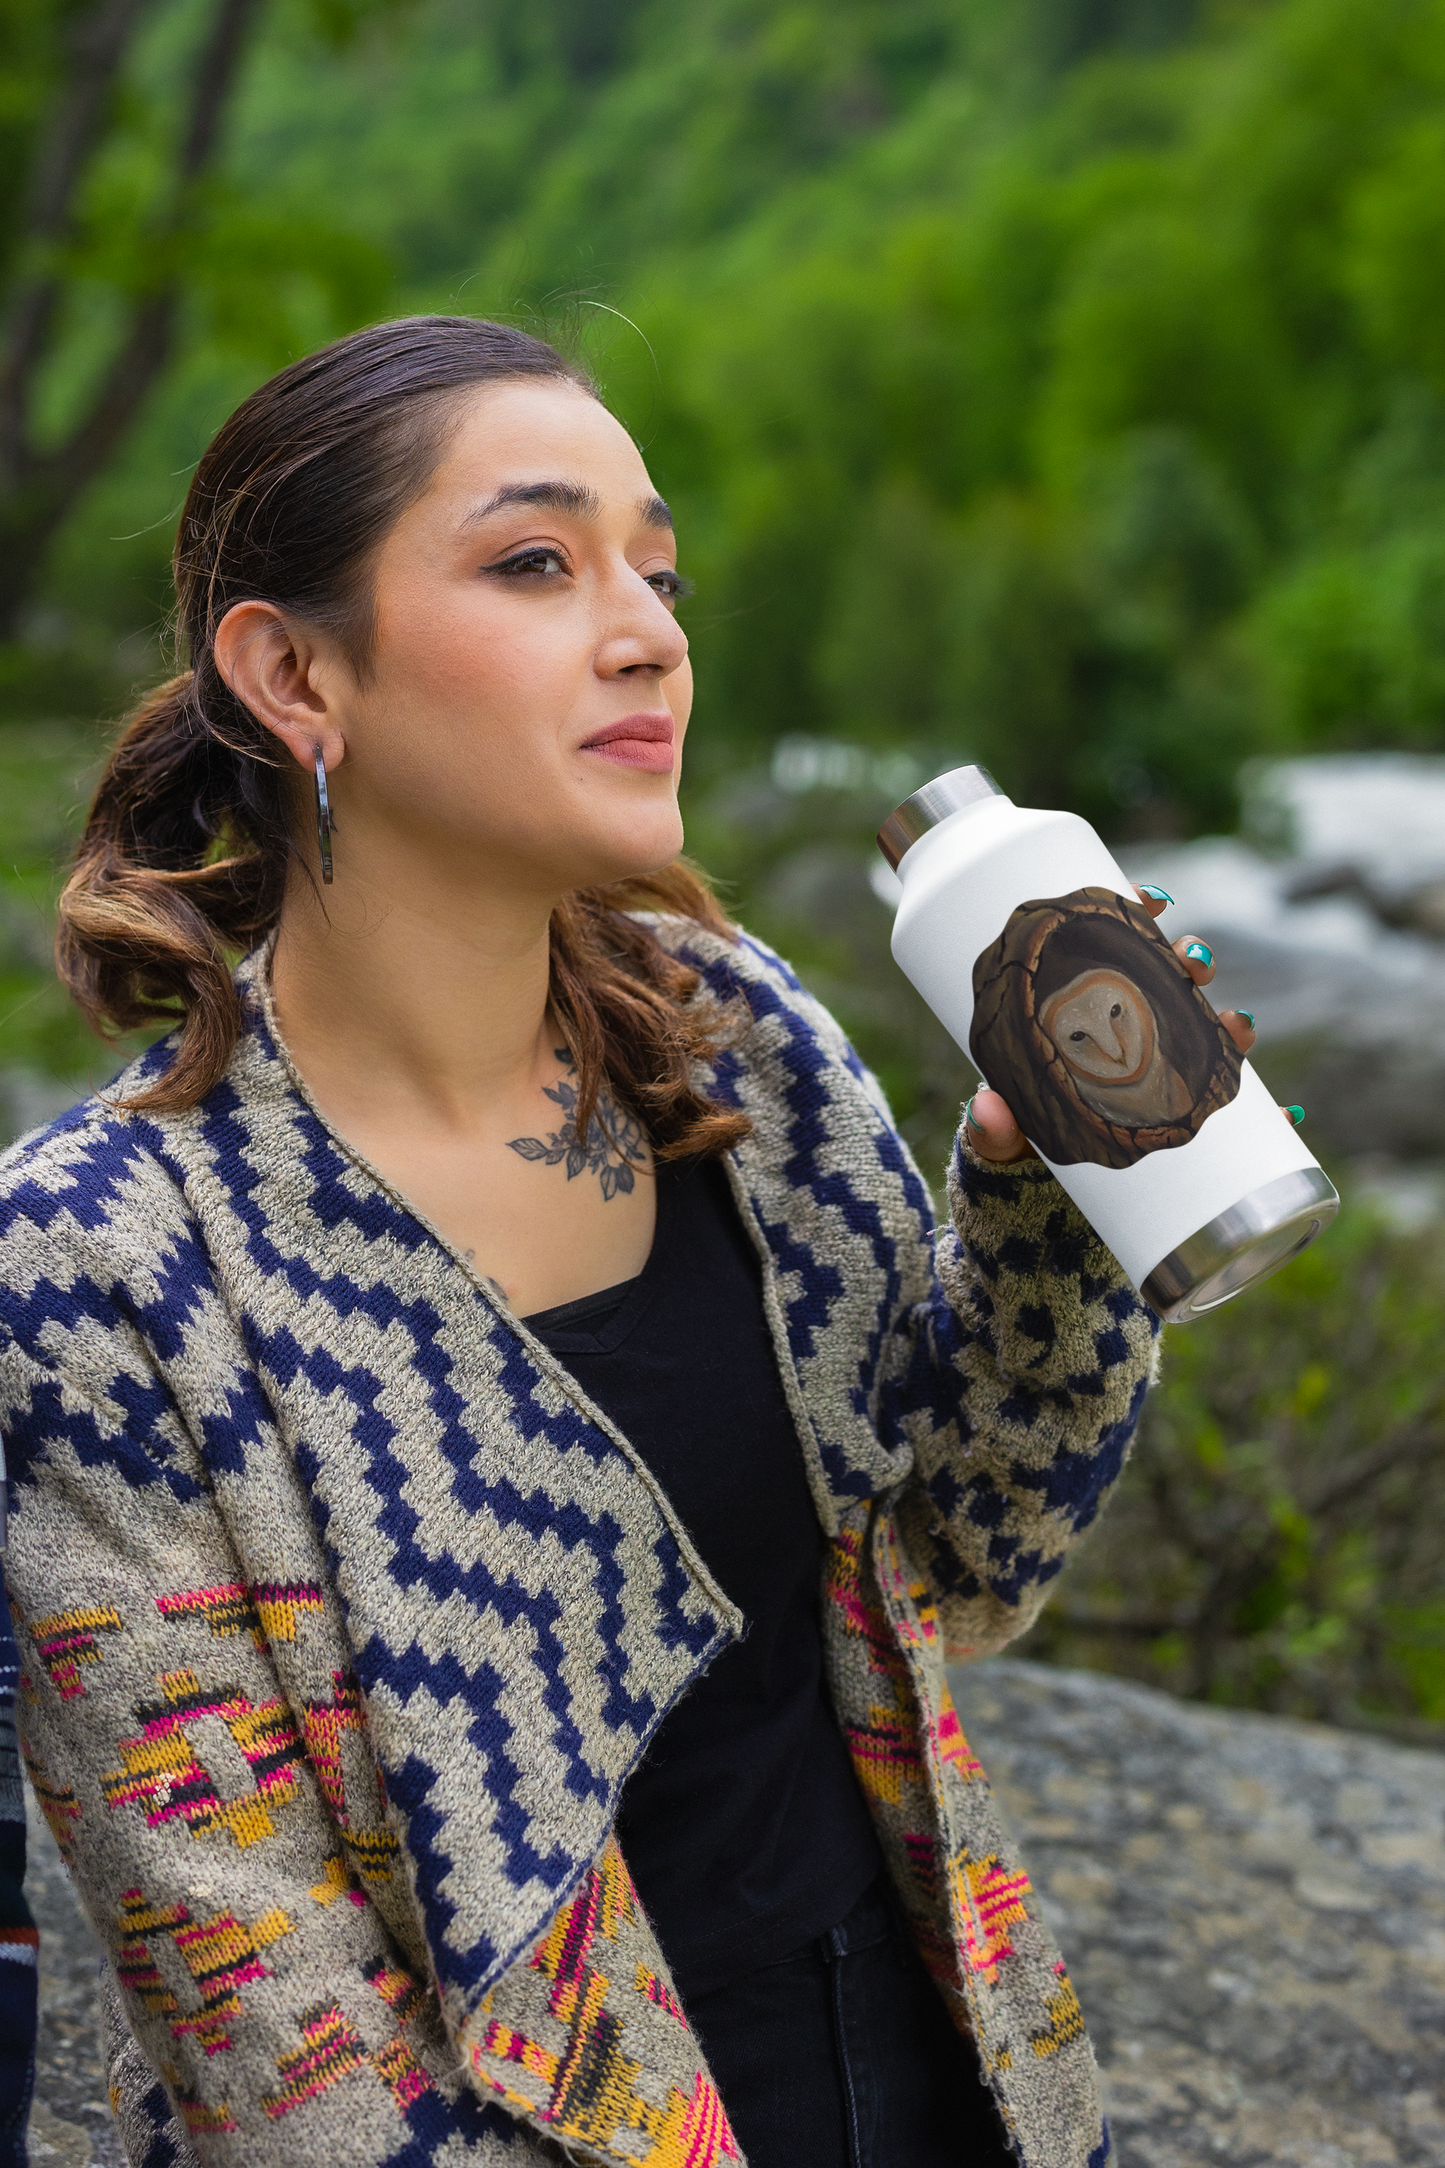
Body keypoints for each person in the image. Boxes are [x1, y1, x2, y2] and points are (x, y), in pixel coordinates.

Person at [0, 318, 1257, 2168]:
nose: (650, 633)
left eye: (657, 575)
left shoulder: (729, 1040)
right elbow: (275, 2032)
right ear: (293, 673)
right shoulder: (102, 1267)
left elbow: (961, 1570)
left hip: (939, 2082)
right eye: (536, 562)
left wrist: (1055, 1207)